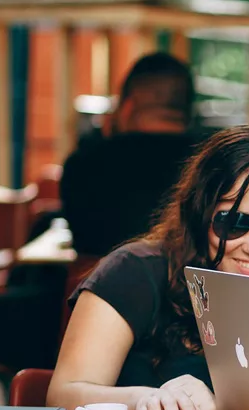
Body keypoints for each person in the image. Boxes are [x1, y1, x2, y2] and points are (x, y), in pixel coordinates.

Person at [48, 124, 249, 410]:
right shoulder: (133, 271)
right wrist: (147, 402)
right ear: (200, 214)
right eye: (234, 223)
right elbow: (63, 397)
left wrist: (223, 405)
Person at [58, 52, 199, 257]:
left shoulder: (83, 164)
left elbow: (82, 243)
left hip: (101, 286)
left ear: (128, 106)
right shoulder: (211, 163)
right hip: (186, 286)